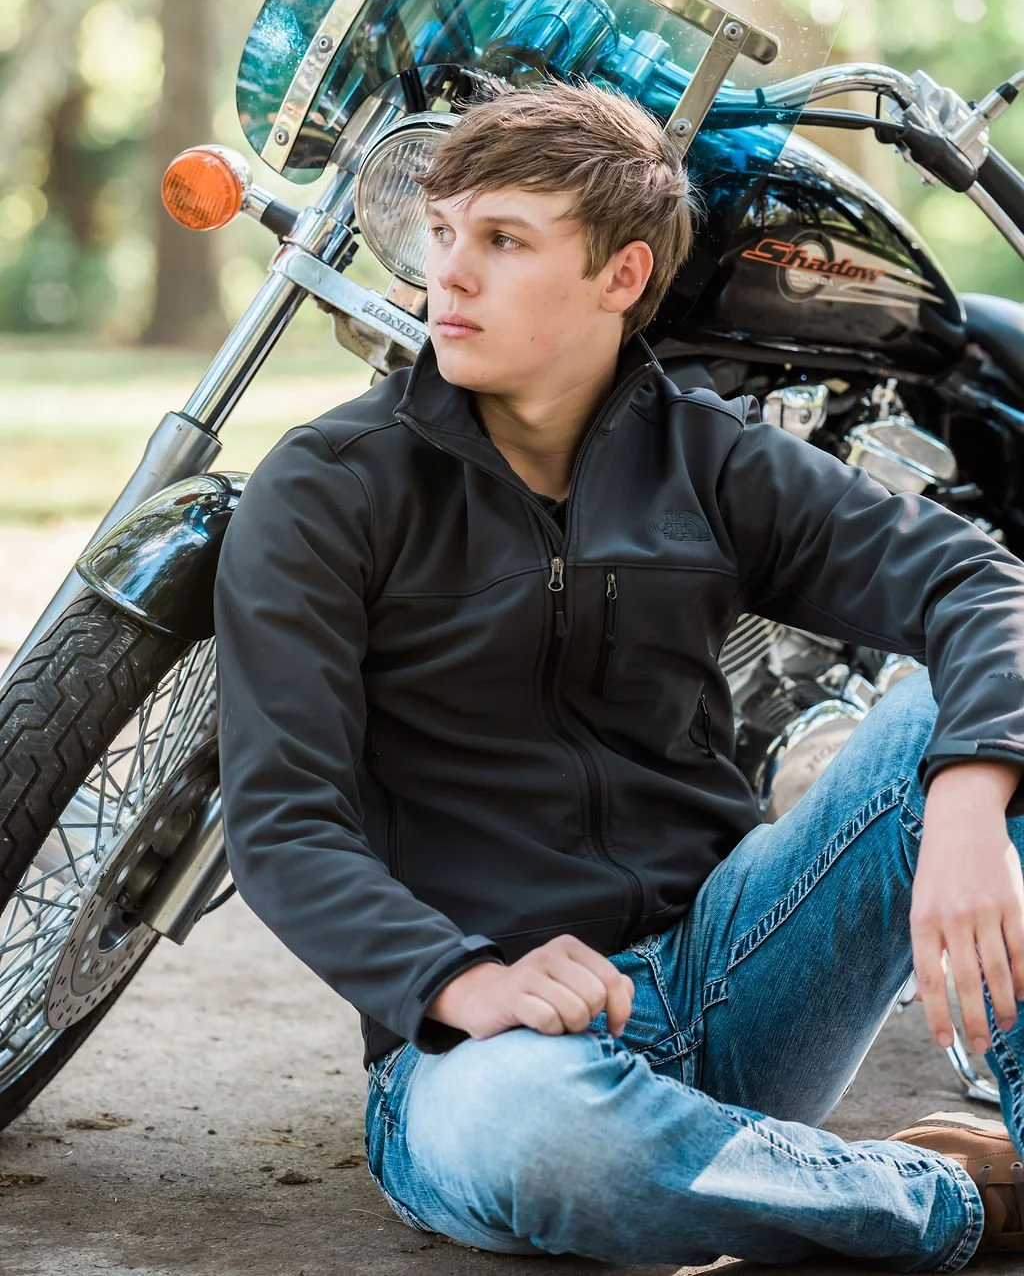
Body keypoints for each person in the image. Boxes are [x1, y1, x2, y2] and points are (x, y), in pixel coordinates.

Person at [214, 79, 1024, 1268]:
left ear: (621, 276)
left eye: (503, 241)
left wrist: (965, 797)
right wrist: (460, 977)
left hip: (736, 970)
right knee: (543, 1139)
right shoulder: (328, 488)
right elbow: (282, 819)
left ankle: (759, 1170)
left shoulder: (708, 459)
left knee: (982, 714)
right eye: (443, 233)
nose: (450, 274)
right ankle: (949, 1198)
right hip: (491, 1056)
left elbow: (980, 586)